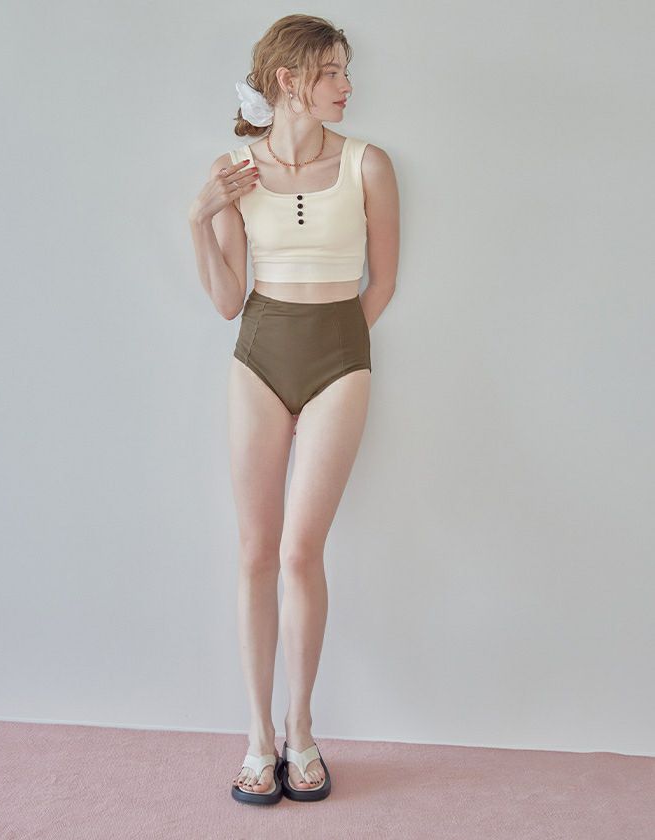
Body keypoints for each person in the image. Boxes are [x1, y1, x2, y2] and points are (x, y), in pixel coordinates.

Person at [189, 14, 399, 804]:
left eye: (345, 70)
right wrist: (200, 217)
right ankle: (258, 737)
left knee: (301, 551)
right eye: (333, 71)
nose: (348, 85)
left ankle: (301, 729)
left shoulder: (369, 163)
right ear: (290, 79)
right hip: (258, 356)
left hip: (341, 360)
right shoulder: (236, 170)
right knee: (255, 551)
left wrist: (338, 347)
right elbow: (225, 301)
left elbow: (382, 281)